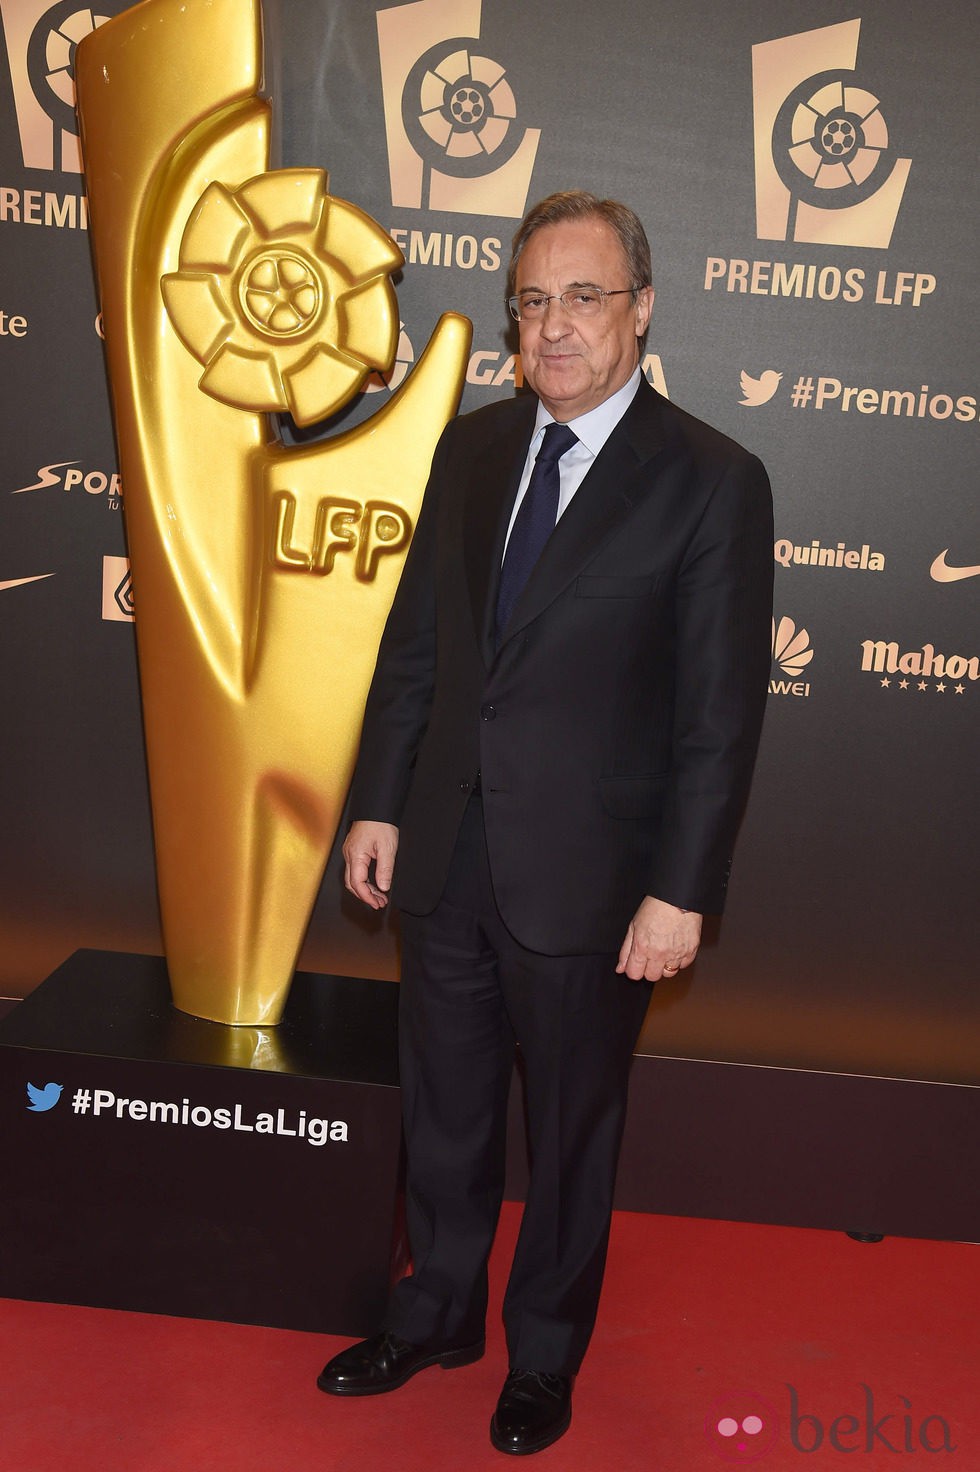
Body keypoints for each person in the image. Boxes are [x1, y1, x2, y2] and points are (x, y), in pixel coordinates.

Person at [318, 190, 773, 1455]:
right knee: (444, 1104)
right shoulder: (471, 447)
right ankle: (434, 1313)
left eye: (582, 296)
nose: (553, 325)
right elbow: (419, 648)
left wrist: (680, 889)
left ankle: (545, 1357)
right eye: (532, 299)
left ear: (639, 310)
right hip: (447, 853)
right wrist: (377, 802)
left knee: (570, 1135)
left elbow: (715, 715)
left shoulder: (711, 482)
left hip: (595, 878)